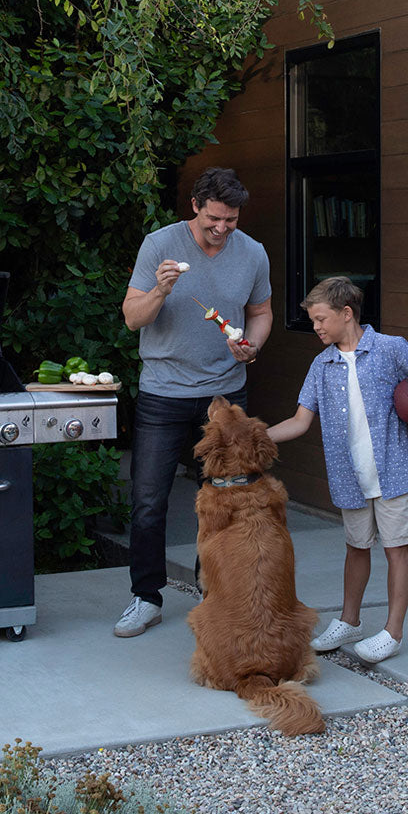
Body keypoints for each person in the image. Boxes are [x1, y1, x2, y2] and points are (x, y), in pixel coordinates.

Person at [114, 166, 272, 637]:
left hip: (225, 395)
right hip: (163, 392)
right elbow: (132, 318)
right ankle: (146, 597)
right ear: (195, 207)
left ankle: (216, 595)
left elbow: (261, 312)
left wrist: (252, 346)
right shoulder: (159, 245)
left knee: (228, 500)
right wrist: (161, 289)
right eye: (213, 219)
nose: (222, 228)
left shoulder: (253, 253)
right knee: (148, 500)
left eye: (231, 220)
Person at [266, 275, 408, 663]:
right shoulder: (321, 365)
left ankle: (392, 633)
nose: (316, 327)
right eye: (313, 320)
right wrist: (255, 437)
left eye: (321, 319)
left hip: (395, 472)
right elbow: (300, 421)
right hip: (350, 477)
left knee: (396, 549)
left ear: (346, 314)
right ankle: (350, 621)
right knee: (356, 548)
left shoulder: (390, 348)